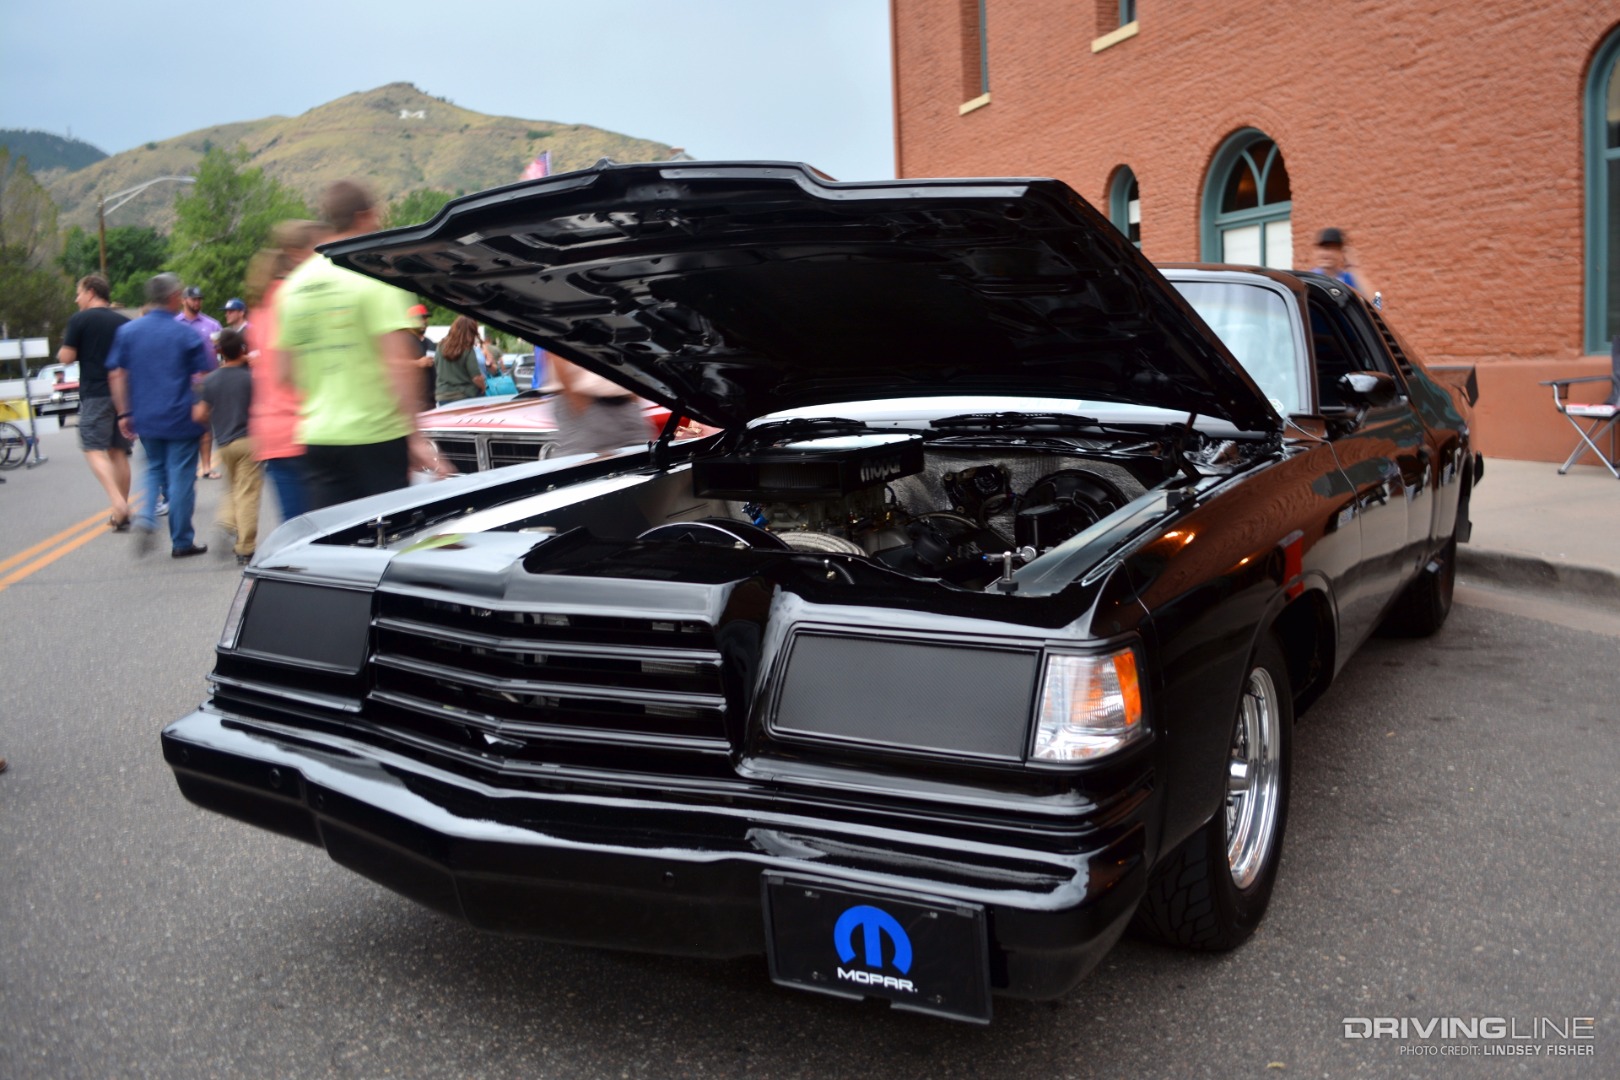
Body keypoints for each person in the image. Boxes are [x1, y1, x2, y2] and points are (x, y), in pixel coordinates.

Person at [273, 179, 451, 510]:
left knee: (334, 545)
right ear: (365, 216)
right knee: (382, 545)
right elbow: (399, 365)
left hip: (318, 436)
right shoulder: (377, 275)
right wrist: (415, 438)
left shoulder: (293, 286)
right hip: (376, 437)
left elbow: (283, 372)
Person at [107, 273, 211, 557]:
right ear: (175, 296)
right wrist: (203, 405)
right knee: (181, 477)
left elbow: (116, 373)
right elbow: (204, 376)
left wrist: (124, 412)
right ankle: (181, 541)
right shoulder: (186, 333)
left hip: (146, 416)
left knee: (154, 469)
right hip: (181, 416)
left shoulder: (128, 332)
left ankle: (146, 518)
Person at [246, 219, 320, 522]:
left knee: (295, 526)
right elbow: (290, 371)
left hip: (270, 432)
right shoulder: (294, 301)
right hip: (301, 427)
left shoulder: (260, 310)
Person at [57, 274, 133, 528]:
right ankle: (121, 510)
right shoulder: (124, 321)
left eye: (78, 293)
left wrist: (64, 349)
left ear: (90, 292)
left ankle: (118, 504)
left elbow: (66, 357)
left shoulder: (80, 320)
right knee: (118, 451)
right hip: (122, 394)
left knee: (93, 448)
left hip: (95, 392)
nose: (77, 299)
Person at [194, 328, 262, 565]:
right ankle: (245, 547)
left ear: (219, 351)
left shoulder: (211, 380)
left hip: (224, 443)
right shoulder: (249, 379)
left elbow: (201, 414)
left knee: (231, 489)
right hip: (249, 442)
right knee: (247, 494)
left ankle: (225, 522)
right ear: (242, 350)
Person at [549, 356, 655, 457]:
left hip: (625, 402)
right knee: (583, 465)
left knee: (643, 457)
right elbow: (556, 347)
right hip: (588, 403)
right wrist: (578, 402)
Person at [176, 285, 222, 479]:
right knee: (182, 427)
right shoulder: (175, 324)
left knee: (204, 426)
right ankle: (185, 467)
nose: (197, 302)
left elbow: (223, 351)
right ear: (184, 300)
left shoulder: (212, 325)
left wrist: (217, 349)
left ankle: (206, 466)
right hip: (181, 382)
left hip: (206, 381)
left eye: (199, 299)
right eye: (193, 299)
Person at [1313, 228, 1380, 306]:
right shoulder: (1311, 278)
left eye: (1332, 249)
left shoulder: (1349, 279)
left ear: (1342, 252)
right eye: (1323, 248)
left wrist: (1353, 266)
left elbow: (1376, 304)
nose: (1326, 253)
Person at [434, 316, 486, 406]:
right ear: (470, 331)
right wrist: (483, 387)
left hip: (443, 394)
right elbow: (476, 377)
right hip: (464, 395)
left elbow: (436, 365)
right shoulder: (467, 348)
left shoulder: (440, 345)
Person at [407, 304, 436, 410]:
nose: (424, 321)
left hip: (430, 401)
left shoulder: (430, 343)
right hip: (411, 401)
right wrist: (417, 363)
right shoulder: (403, 340)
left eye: (425, 318)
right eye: (420, 318)